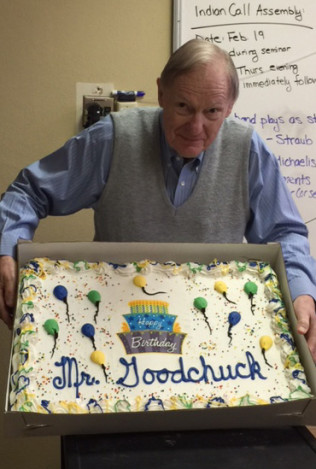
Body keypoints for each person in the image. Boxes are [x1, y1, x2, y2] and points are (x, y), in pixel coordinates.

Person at [0, 39, 316, 361]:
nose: (196, 127)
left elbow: (283, 233)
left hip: (216, 346)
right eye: (183, 107)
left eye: (212, 112)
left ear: (230, 107)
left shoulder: (249, 152)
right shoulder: (111, 140)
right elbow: (28, 192)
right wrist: (6, 250)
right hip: (114, 336)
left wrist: (302, 292)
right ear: (161, 92)